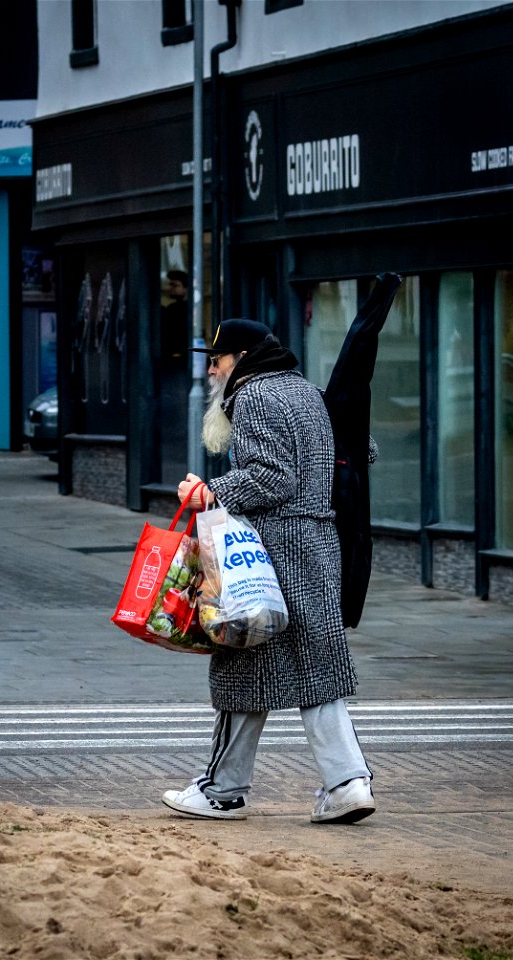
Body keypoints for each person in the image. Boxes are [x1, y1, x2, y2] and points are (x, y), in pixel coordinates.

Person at [162, 318, 375, 823]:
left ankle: (221, 790)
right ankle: (348, 783)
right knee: (315, 667)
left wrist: (211, 491)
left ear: (241, 359)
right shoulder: (308, 393)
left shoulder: (254, 396)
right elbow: (362, 451)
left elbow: (270, 476)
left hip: (270, 551)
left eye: (217, 359)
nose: (212, 370)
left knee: (241, 659)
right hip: (320, 546)